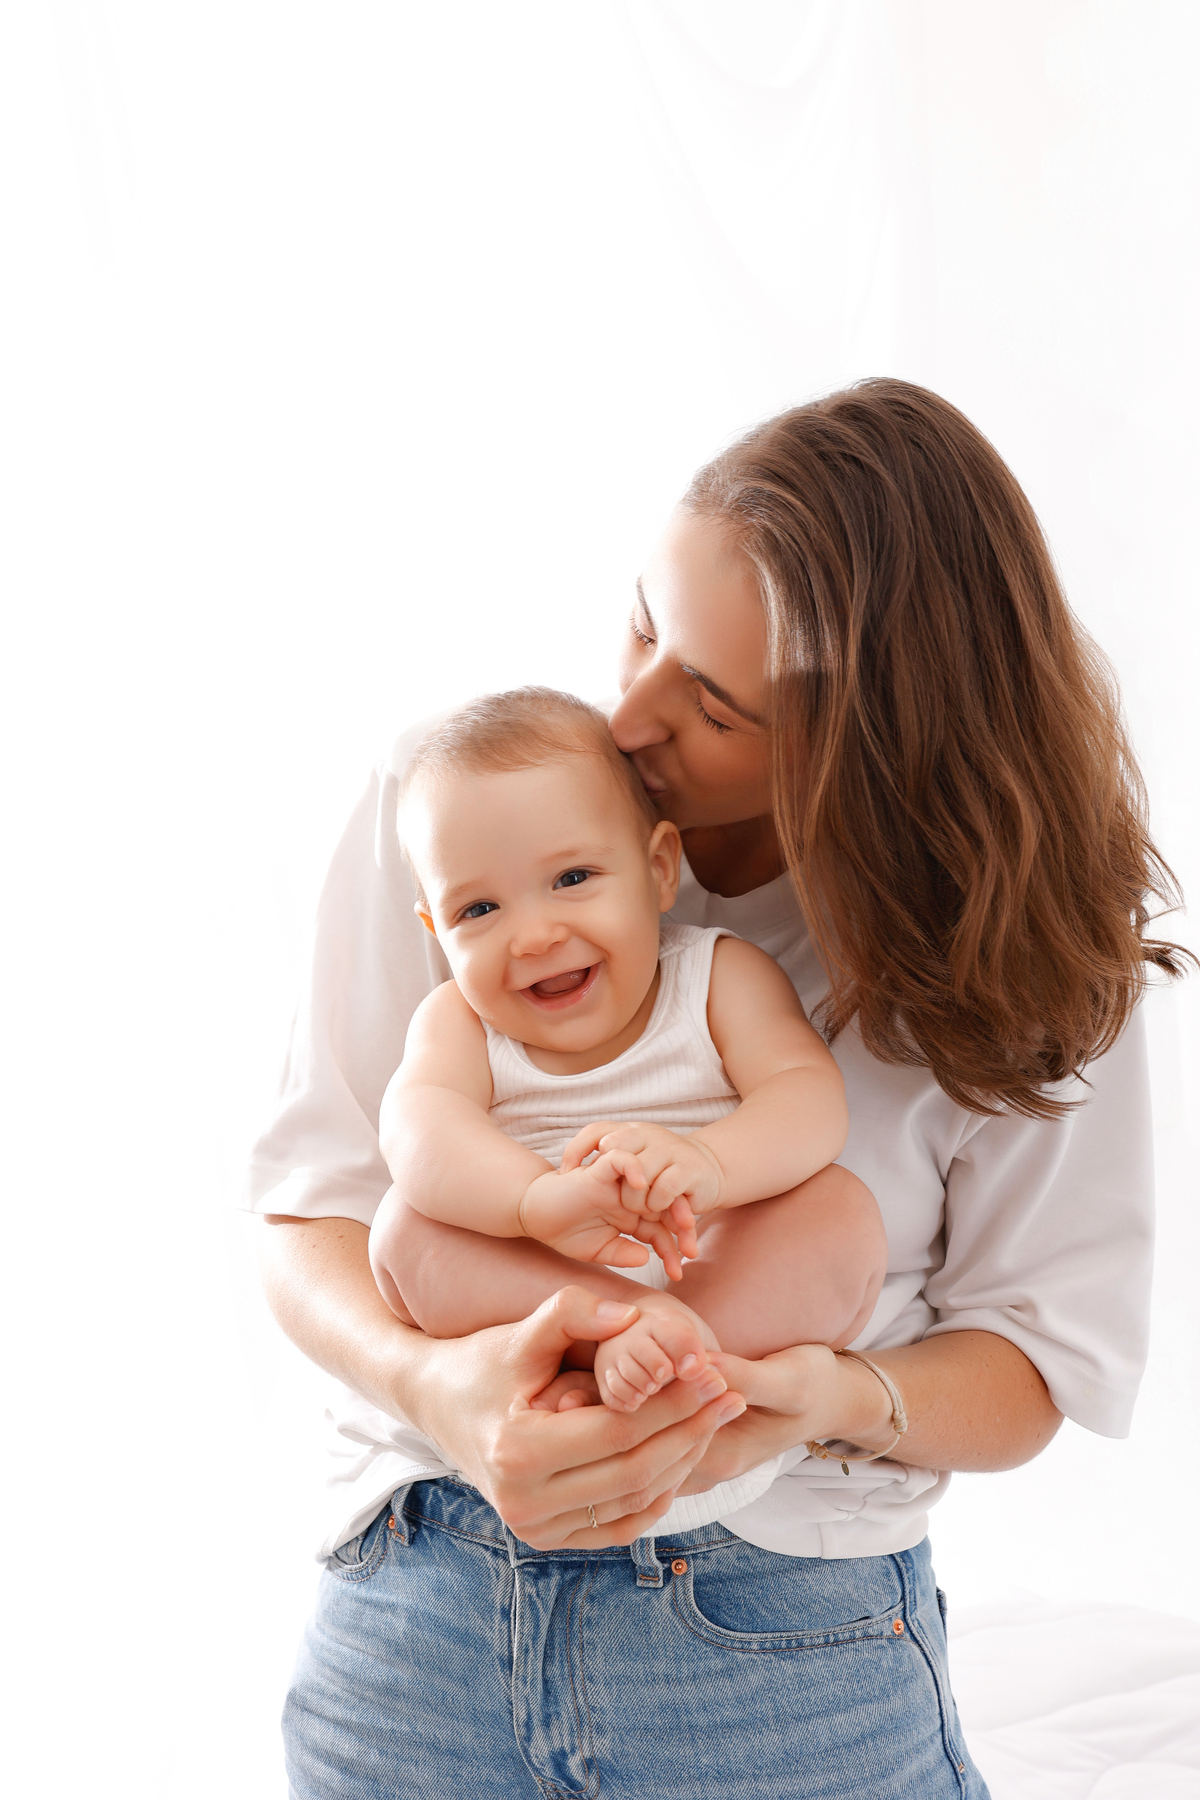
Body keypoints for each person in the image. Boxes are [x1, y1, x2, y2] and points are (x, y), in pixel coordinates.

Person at [249, 379, 1185, 1799]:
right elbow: (315, 1209)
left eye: (715, 703)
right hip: (423, 1603)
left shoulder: (1024, 955)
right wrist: (441, 1391)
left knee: (825, 1221)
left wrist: (819, 1394)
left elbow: (1037, 1363)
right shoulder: (465, 813)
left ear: (864, 740)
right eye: (644, 621)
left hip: (774, 1642)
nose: (628, 716)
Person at [368, 687, 886, 1446]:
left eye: (572, 878)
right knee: (404, 1230)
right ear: (435, 930)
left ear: (659, 868)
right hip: (541, 1285)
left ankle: (678, 1358)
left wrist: (709, 1163)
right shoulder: (459, 1022)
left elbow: (806, 1097)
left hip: (709, 1258)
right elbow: (418, 1131)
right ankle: (622, 1337)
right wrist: (532, 1201)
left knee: (837, 1212)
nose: (534, 935)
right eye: (478, 911)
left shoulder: (716, 976)